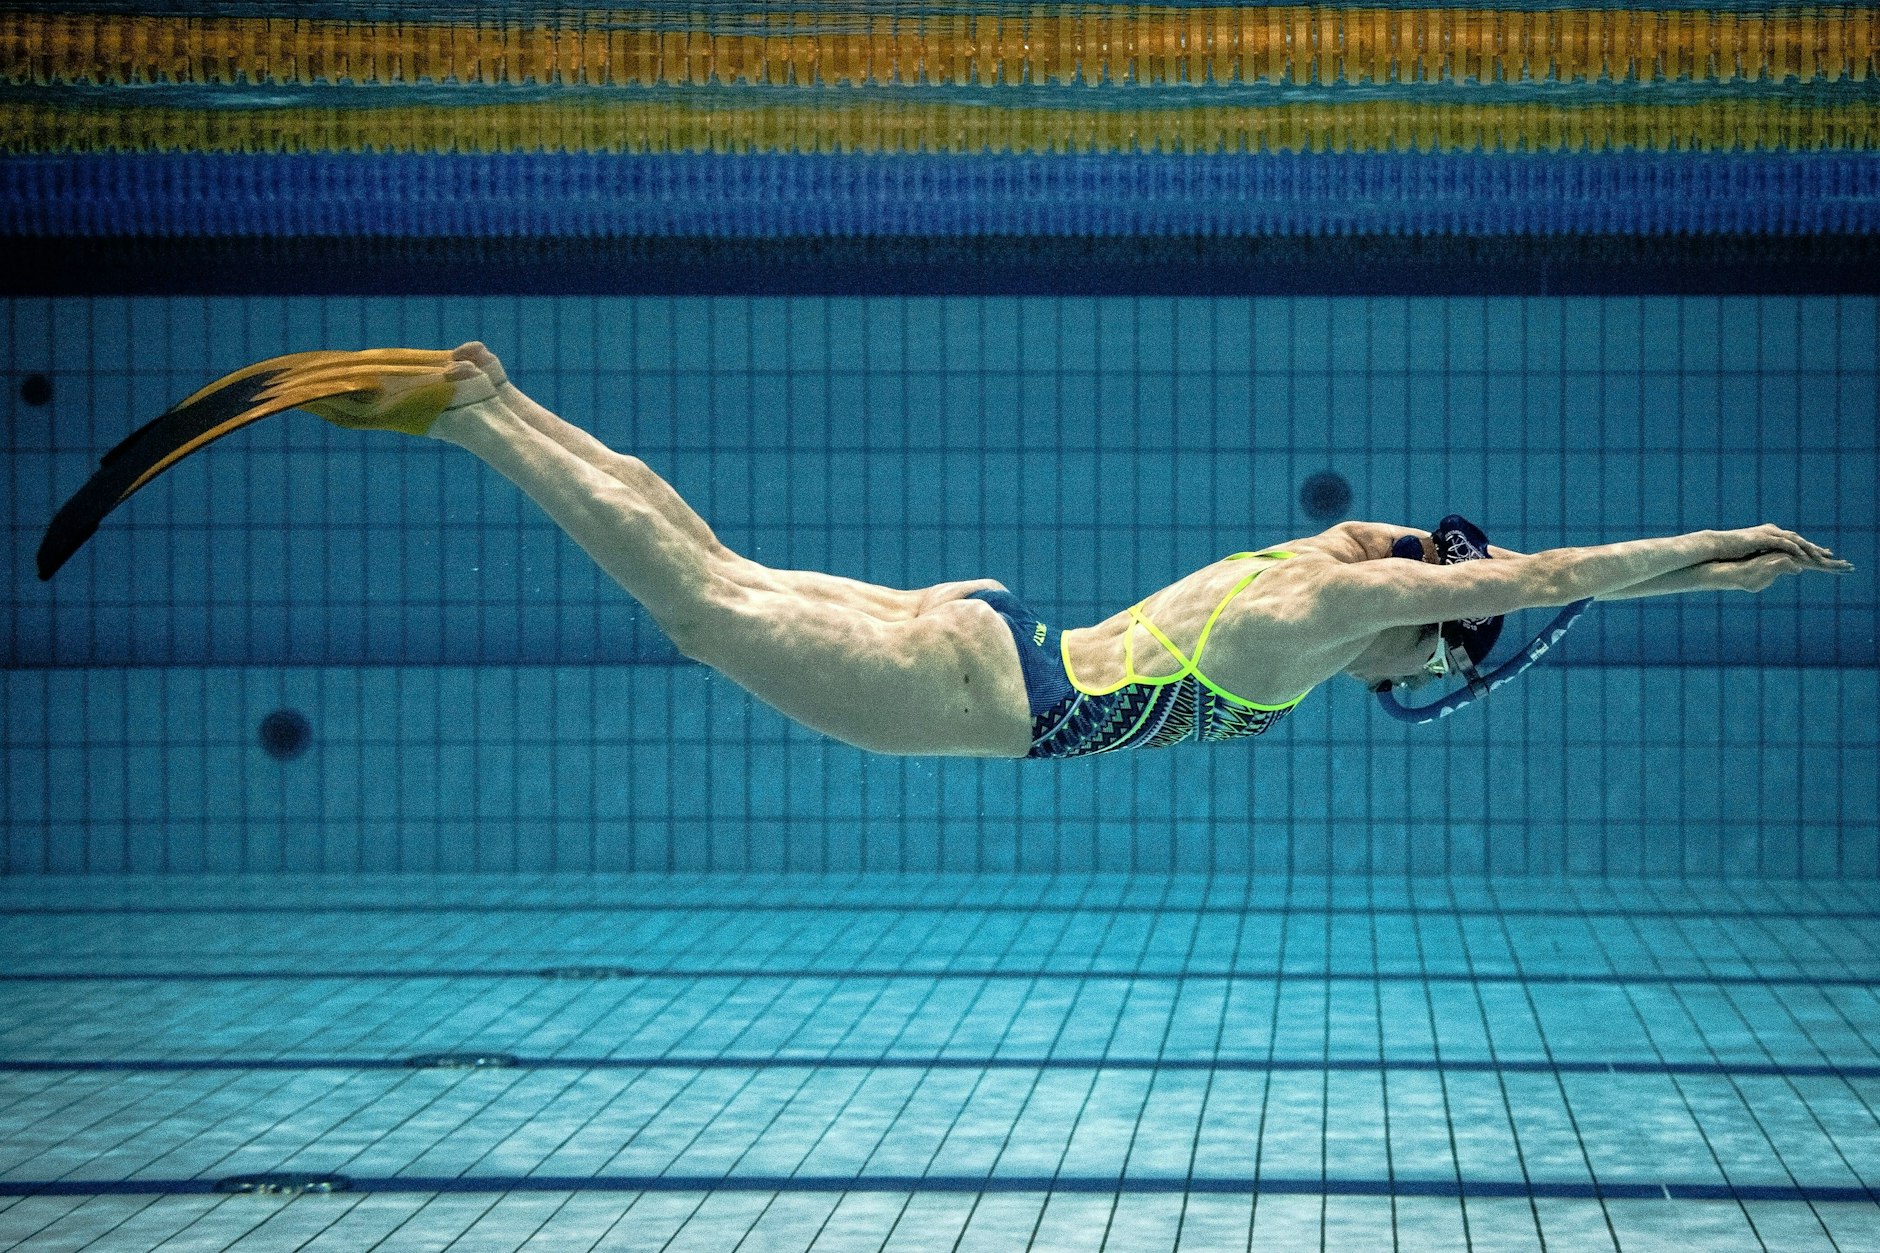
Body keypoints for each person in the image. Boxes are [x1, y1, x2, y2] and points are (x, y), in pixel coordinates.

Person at [38, 344, 1853, 758]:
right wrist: (1726, 552)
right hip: (985, 689)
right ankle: (464, 409)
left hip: (996, 628)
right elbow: (1533, 583)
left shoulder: (1308, 571)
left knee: (715, 574)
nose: (1417, 645)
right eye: (1426, 638)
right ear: (1414, 619)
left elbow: (1492, 569)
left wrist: (1692, 569)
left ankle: (496, 394)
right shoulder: (1348, 607)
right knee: (697, 602)